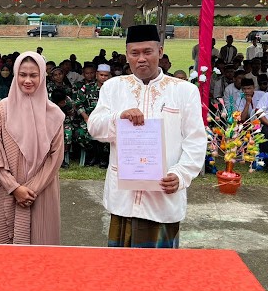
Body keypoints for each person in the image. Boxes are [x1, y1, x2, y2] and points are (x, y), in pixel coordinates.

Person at [88, 25, 207, 248]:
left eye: (147, 52)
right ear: (127, 55)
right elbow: (94, 127)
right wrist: (118, 118)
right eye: (135, 53)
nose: (141, 59)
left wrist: (181, 175)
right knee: (121, 269)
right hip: (124, 196)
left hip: (163, 193)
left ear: (160, 52)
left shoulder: (184, 90)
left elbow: (196, 140)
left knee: (160, 273)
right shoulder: (114, 87)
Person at [0, 51, 64, 244]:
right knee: (3, 256)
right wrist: (14, 188)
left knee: (40, 252)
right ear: (16, 75)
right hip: (6, 191)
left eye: (34, 75)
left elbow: (55, 158)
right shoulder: (1, 110)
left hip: (41, 192)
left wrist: (30, 190)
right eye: (23, 74)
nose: (28, 80)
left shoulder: (54, 114)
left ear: (42, 76)